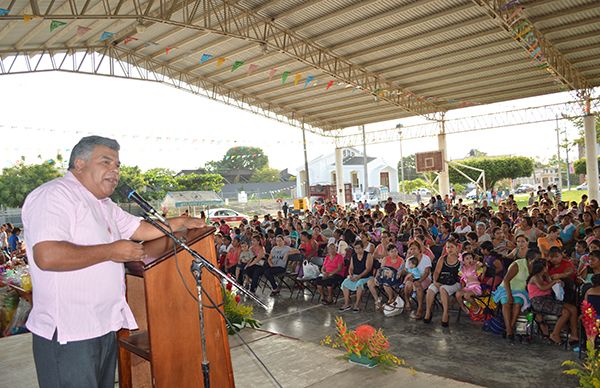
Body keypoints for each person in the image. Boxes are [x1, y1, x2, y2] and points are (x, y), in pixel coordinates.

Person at [22, 136, 205, 388]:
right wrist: (110, 251)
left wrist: (180, 223)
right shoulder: (54, 195)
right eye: (106, 162)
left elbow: (141, 229)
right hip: (69, 332)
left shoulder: (104, 204)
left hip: (103, 326)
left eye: (117, 165)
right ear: (79, 163)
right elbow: (48, 255)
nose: (115, 171)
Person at [527, 259, 579, 345]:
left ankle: (574, 334)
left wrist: (558, 282)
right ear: (542, 268)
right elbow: (543, 287)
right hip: (539, 302)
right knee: (565, 312)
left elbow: (551, 284)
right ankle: (555, 334)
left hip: (548, 299)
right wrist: (554, 281)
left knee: (573, 309)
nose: (548, 268)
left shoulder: (544, 275)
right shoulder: (535, 277)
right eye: (546, 266)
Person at [424, 239, 461, 327]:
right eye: (448, 247)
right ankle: (428, 311)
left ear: (457, 248)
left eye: (452, 247)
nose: (450, 249)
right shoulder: (442, 258)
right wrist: (435, 281)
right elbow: (436, 272)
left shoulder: (460, 259)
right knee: (431, 289)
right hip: (442, 280)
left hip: (455, 283)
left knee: (443, 289)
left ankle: (445, 313)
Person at [339, 241, 374, 313]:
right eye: (355, 248)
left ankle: (357, 304)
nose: (357, 250)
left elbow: (368, 269)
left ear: (363, 248)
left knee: (359, 284)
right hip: (355, 275)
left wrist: (359, 276)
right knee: (345, 283)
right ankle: (347, 303)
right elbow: (351, 268)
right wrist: (351, 275)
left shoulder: (368, 255)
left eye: (359, 248)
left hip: (366, 276)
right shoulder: (354, 256)